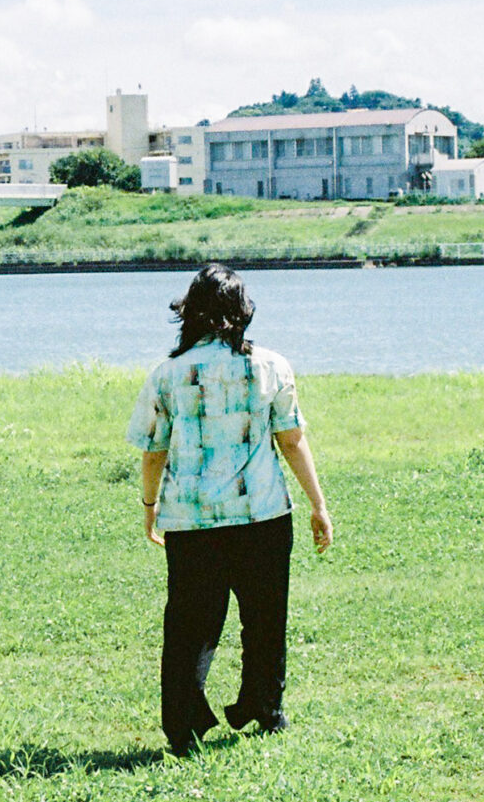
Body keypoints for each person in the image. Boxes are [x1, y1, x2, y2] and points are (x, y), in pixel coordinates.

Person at [127, 262, 333, 757]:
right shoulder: (271, 366)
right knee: (265, 619)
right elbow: (291, 440)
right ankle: (265, 707)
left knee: (189, 625)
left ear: (190, 313)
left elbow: (152, 449)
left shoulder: (167, 374)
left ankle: (184, 725)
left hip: (191, 519)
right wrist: (318, 505)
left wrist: (150, 505)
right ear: (243, 312)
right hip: (262, 513)